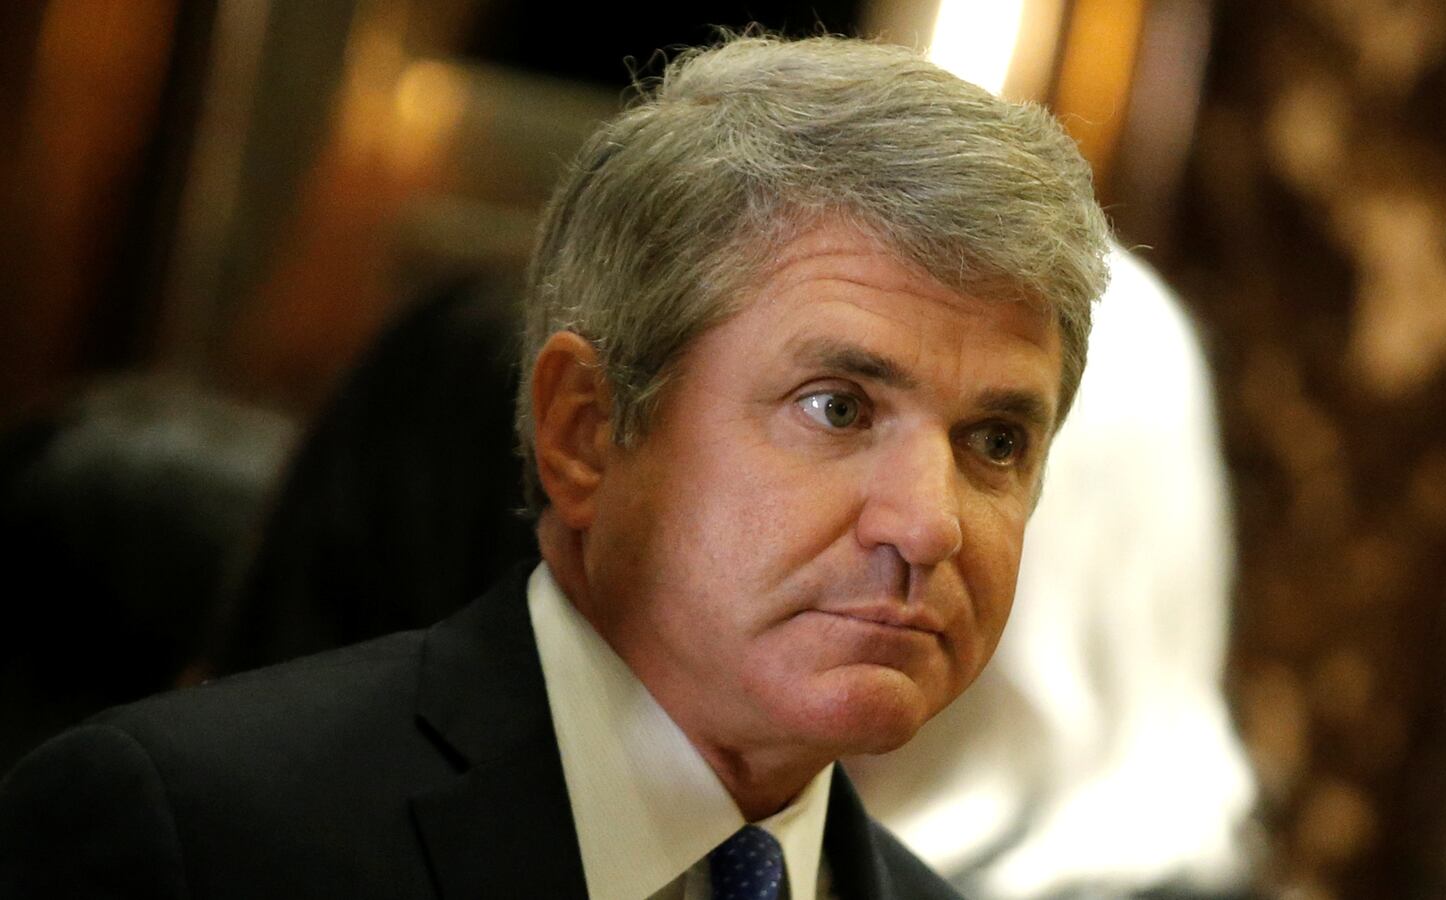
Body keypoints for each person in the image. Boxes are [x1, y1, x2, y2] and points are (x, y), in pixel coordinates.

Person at [0, 33, 1109, 899]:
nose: (929, 526)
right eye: (836, 407)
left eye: (994, 442)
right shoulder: (198, 835)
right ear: (587, 430)